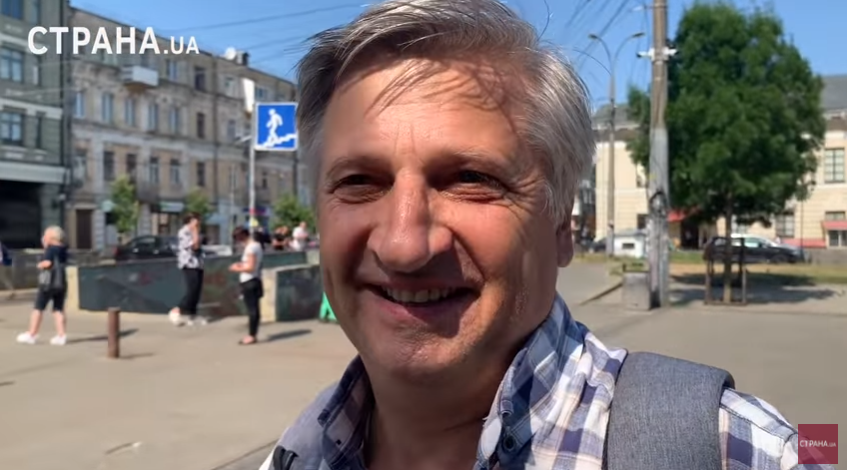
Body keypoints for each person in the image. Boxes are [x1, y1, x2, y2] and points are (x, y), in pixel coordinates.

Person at [259, 1, 834, 469]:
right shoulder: (296, 453)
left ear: (562, 224)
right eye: (359, 181)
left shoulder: (743, 451)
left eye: (470, 179)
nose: (404, 245)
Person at [16, 226, 68, 345]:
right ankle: (61, 335)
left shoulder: (50, 249)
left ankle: (32, 334)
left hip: (48, 283)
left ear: (51, 237)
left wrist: (40, 264)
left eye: (45, 235)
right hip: (61, 282)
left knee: (38, 308)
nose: (43, 237)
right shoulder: (63, 249)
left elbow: (48, 263)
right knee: (58, 309)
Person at [229, 227, 264, 345]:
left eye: (238, 239)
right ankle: (253, 334)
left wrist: (235, 268)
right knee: (254, 309)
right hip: (256, 280)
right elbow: (251, 264)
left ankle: (251, 335)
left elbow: (250, 267)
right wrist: (241, 264)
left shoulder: (250, 248)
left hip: (249, 281)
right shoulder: (257, 245)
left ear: (242, 237)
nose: (239, 242)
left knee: (252, 310)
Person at [169, 213, 204, 326]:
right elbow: (195, 246)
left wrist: (196, 231)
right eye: (196, 220)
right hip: (188, 264)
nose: (198, 223)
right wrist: (194, 231)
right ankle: (177, 310)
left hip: (198, 263)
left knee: (197, 291)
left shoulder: (197, 231)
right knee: (192, 290)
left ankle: (192, 315)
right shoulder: (184, 232)